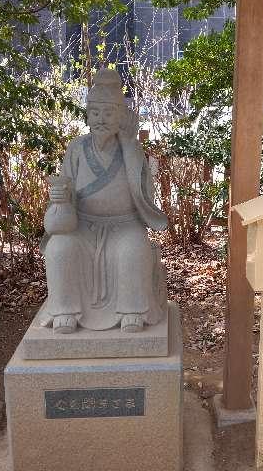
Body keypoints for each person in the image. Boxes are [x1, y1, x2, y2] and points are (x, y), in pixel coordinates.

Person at [38, 68, 168, 334]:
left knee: (134, 249)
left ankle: (132, 310)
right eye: (95, 113)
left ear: (121, 115)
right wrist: (61, 197)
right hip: (83, 225)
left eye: (108, 113)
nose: (101, 120)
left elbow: (144, 190)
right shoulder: (77, 148)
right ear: (87, 115)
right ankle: (66, 310)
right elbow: (67, 185)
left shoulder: (130, 147)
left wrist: (131, 147)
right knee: (59, 248)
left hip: (124, 224)